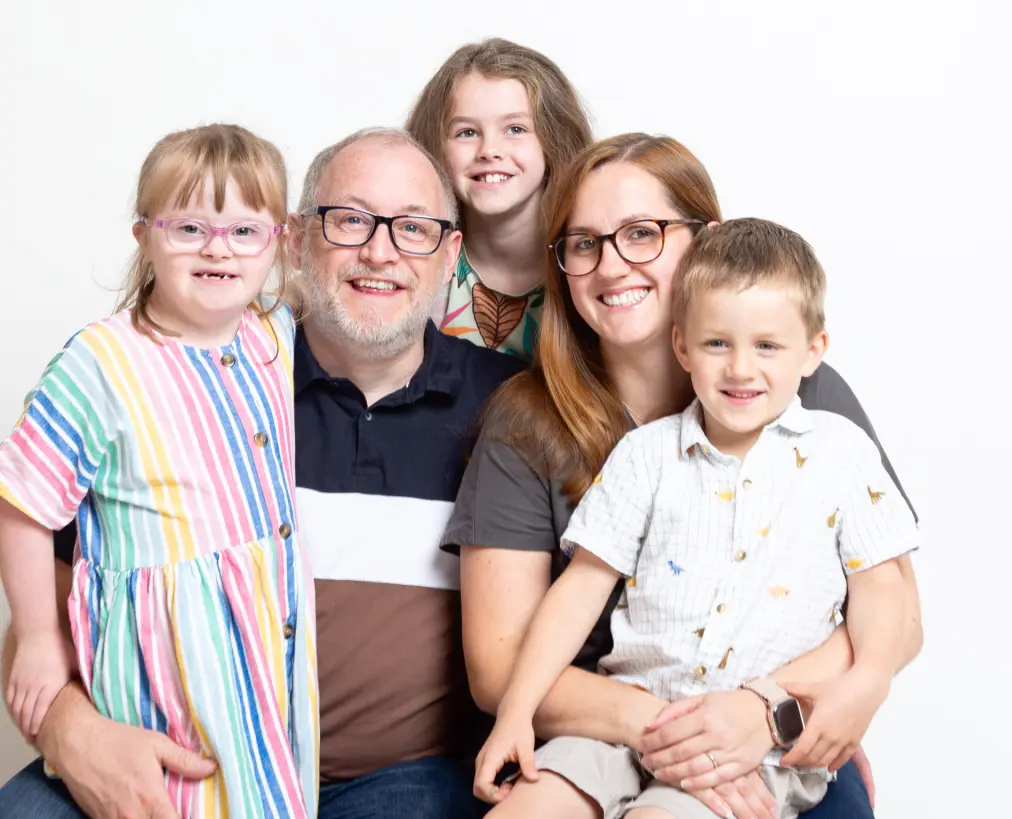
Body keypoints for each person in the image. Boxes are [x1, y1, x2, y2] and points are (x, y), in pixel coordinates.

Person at [0, 127, 525, 819]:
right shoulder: (214, 370)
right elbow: (56, 580)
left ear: (451, 252)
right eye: (350, 220)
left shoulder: (506, 406)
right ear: (299, 239)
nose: (380, 250)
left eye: (415, 228)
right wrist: (73, 731)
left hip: (395, 781)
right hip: (166, 755)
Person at [443, 133, 923, 819]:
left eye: (642, 232)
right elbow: (505, 661)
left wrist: (765, 709)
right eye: (584, 243)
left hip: (767, 735)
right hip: (600, 723)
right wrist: (678, 732)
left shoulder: (810, 406)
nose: (612, 264)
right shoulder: (577, 437)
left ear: (706, 242)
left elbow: (899, 615)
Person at [0, 123, 318, 818]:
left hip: (264, 643)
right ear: (144, 235)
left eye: (244, 231)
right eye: (189, 228)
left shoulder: (275, 331)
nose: (216, 249)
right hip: (161, 660)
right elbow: (22, 502)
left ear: (281, 241)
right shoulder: (101, 362)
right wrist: (34, 635)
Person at [406, 37, 593, 360]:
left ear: (553, 139)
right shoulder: (416, 260)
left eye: (515, 129)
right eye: (467, 132)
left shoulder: (589, 262)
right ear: (435, 148)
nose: (490, 151)